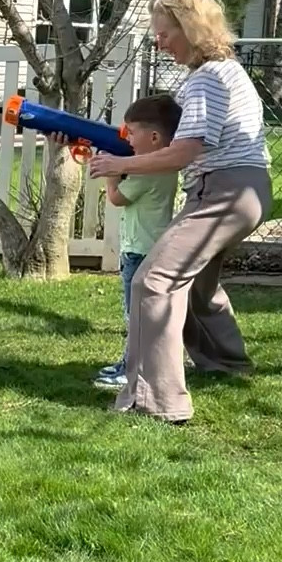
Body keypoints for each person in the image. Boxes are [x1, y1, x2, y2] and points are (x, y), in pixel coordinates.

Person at [88, 0, 272, 423]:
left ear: (190, 29)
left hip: (221, 189)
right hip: (248, 189)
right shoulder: (227, 71)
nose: (158, 41)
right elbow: (173, 143)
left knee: (153, 282)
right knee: (197, 287)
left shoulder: (206, 79)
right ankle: (227, 364)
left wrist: (117, 164)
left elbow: (184, 151)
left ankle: (156, 398)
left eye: (164, 32)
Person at [93, 94, 182, 393]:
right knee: (140, 313)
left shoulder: (149, 170)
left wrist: (112, 173)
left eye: (132, 133)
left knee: (136, 315)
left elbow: (117, 198)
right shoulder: (161, 165)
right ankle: (129, 362)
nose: (127, 139)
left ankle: (134, 369)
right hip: (149, 247)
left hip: (140, 251)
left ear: (154, 137)